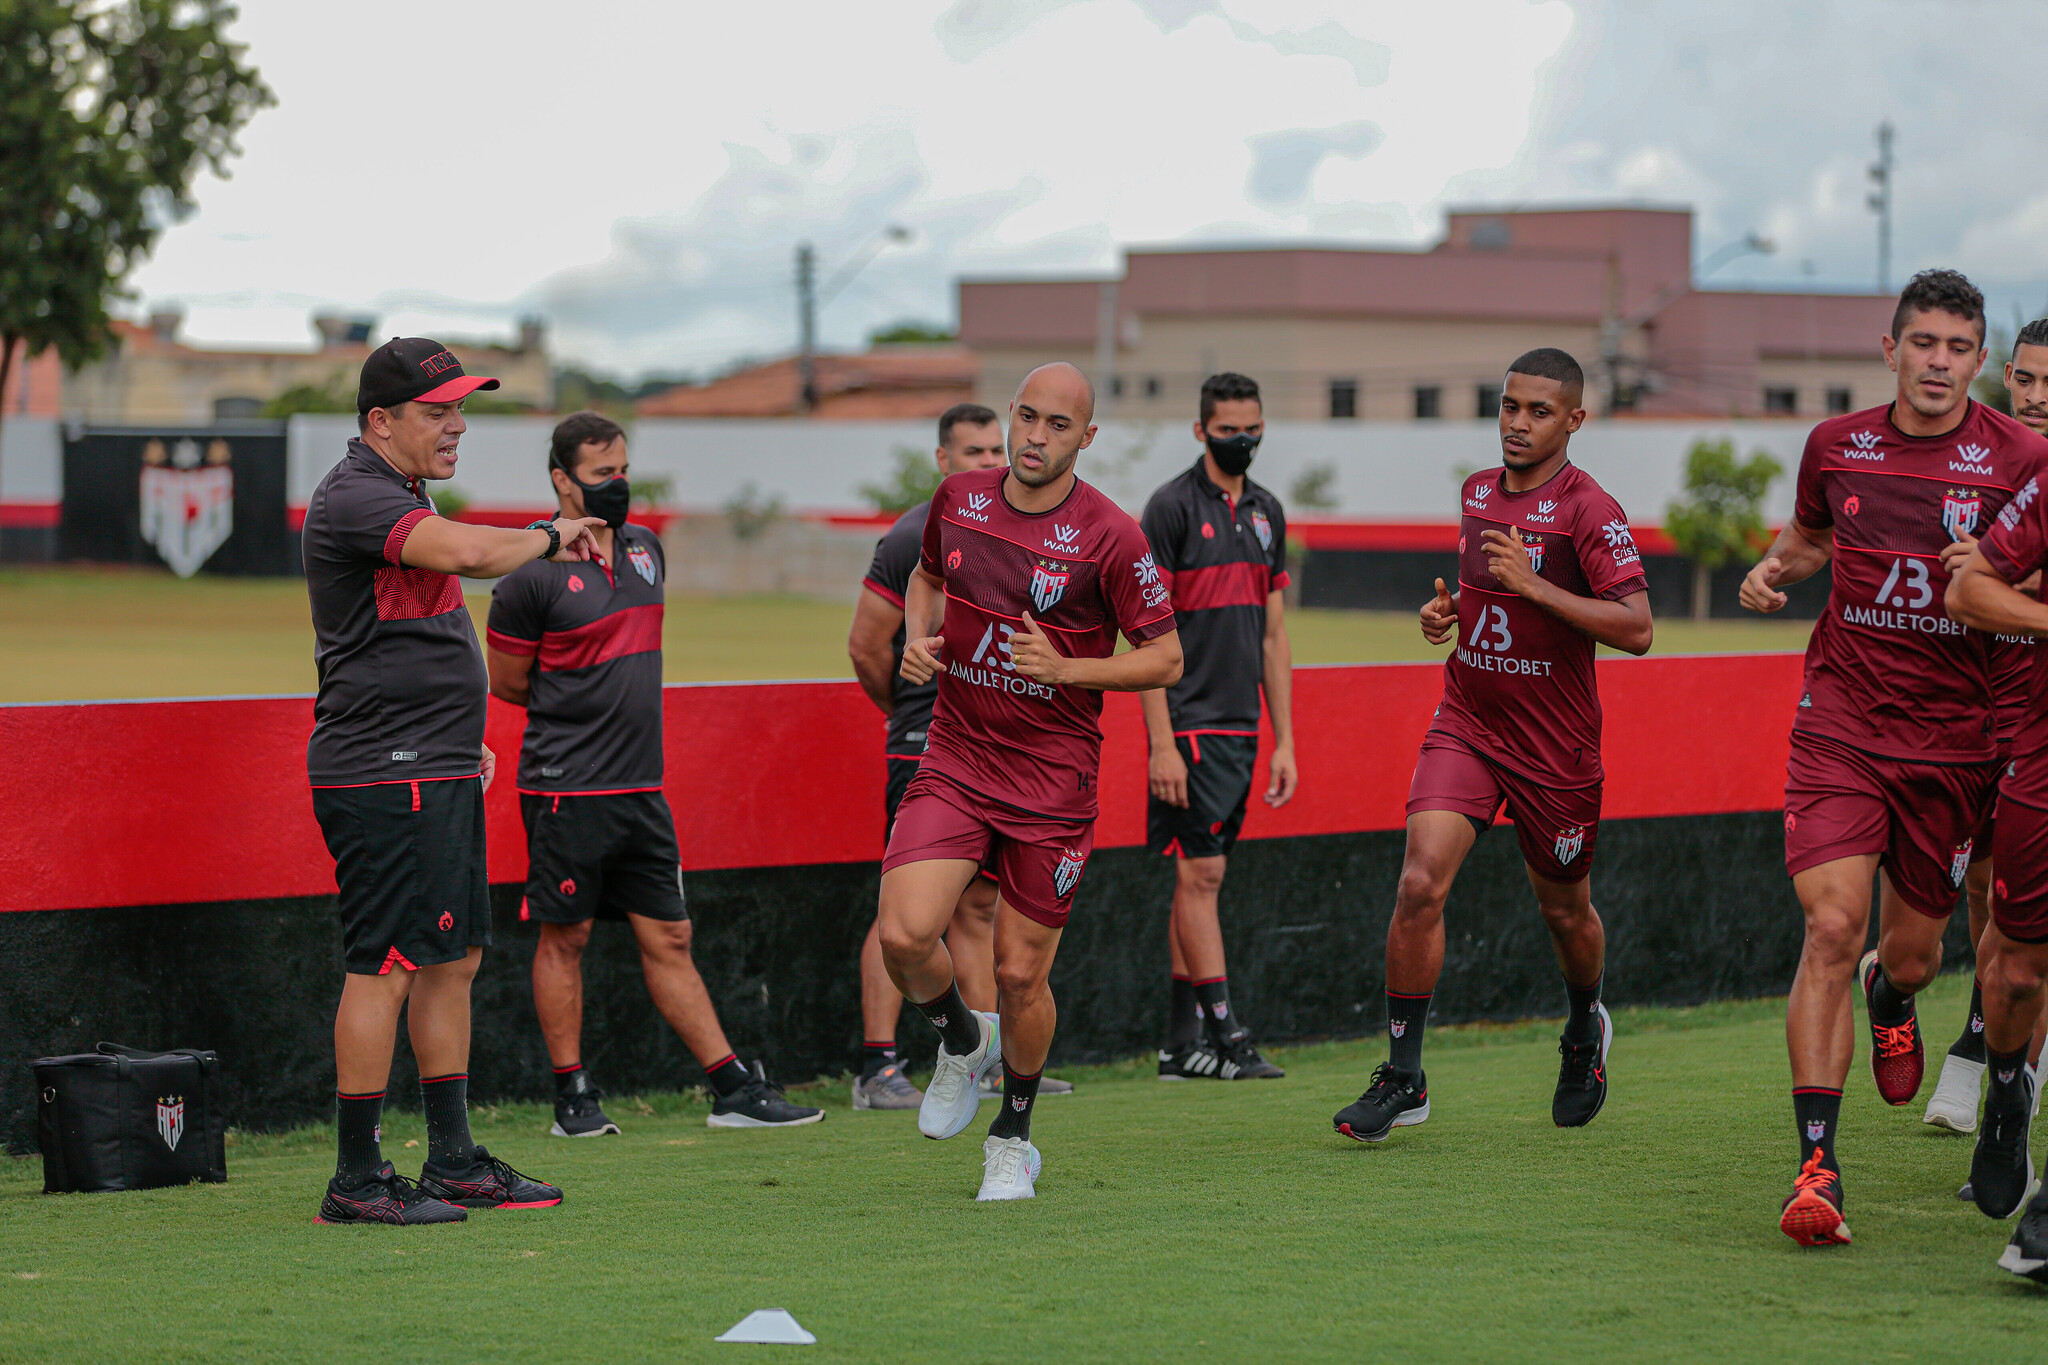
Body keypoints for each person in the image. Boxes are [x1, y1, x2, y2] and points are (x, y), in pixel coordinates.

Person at [1740, 270, 2047, 1247]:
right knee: (1828, 925)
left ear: (1978, 360)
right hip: (1837, 723)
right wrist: (1771, 567)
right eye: (1921, 343)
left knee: (1908, 954)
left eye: (1957, 348)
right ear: (1889, 350)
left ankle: (1893, 995)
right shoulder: (1834, 445)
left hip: (1956, 748)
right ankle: (1816, 1169)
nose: (1937, 363)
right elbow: (1809, 532)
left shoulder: (2019, 457)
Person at [305, 337, 602, 1225]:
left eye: (459, 408)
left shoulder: (398, 489)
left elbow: (420, 618)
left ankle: (454, 1159)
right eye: (438, 412)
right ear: (380, 422)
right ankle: (357, 1179)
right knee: (388, 963)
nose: (458, 425)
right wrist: (551, 535)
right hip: (384, 772)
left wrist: (455, 736)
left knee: (451, 958)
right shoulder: (358, 493)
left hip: (430, 765)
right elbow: (469, 556)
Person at [1332, 348, 1651, 1148]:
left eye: (1538, 410)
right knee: (1418, 881)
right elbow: (1487, 595)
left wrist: (1538, 586)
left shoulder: (1590, 509)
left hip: (1556, 747)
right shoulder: (1477, 491)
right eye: (1509, 406)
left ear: (1574, 419)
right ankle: (1404, 1076)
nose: (1517, 422)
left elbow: (1638, 627)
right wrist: (1449, 618)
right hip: (1468, 719)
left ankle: (1584, 1025)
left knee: (1565, 911)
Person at [878, 362, 1182, 1200]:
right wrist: (918, 638)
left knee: (1019, 975)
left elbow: (1165, 654)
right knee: (904, 935)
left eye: (1058, 425)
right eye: (1028, 418)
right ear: (1010, 417)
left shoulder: (1113, 535)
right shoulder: (959, 499)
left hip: (1051, 783)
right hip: (957, 756)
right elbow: (927, 576)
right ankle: (958, 1040)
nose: (1036, 437)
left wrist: (1071, 665)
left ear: (1087, 438)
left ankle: (1012, 1134)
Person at [486, 412, 822, 1134]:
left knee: (671, 939)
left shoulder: (647, 551)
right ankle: (572, 1097)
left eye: (623, 471)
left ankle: (731, 1088)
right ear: (561, 479)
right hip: (564, 789)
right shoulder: (529, 574)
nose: (618, 485)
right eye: (602, 474)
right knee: (565, 939)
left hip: (642, 789)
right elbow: (509, 683)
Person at [846, 404, 1071, 1109]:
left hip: (997, 751)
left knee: (977, 909)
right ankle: (877, 1066)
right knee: (902, 913)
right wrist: (905, 713)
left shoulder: (1027, 528)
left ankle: (991, 1058)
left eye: (989, 449)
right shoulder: (918, 530)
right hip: (928, 746)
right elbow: (865, 642)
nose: (982, 462)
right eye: (968, 451)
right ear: (942, 461)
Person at [1138, 372, 1296, 1081]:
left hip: (1242, 727)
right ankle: (1227, 1036)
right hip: (1191, 724)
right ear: (1201, 430)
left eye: (1254, 429)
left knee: (1202, 878)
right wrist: (1162, 742)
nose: (1244, 441)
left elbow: (1274, 635)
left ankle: (1180, 1046)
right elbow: (1144, 636)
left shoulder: (1268, 511)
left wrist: (1285, 738)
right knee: (1201, 874)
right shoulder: (1169, 508)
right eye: (1231, 430)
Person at [1926, 319, 2048, 1144]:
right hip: (1972, 702)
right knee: (1979, 892)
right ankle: (1982, 1023)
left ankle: (2006, 1072)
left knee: (2027, 920)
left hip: (2033, 704)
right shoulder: (1973, 455)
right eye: (2028, 380)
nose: (2038, 398)